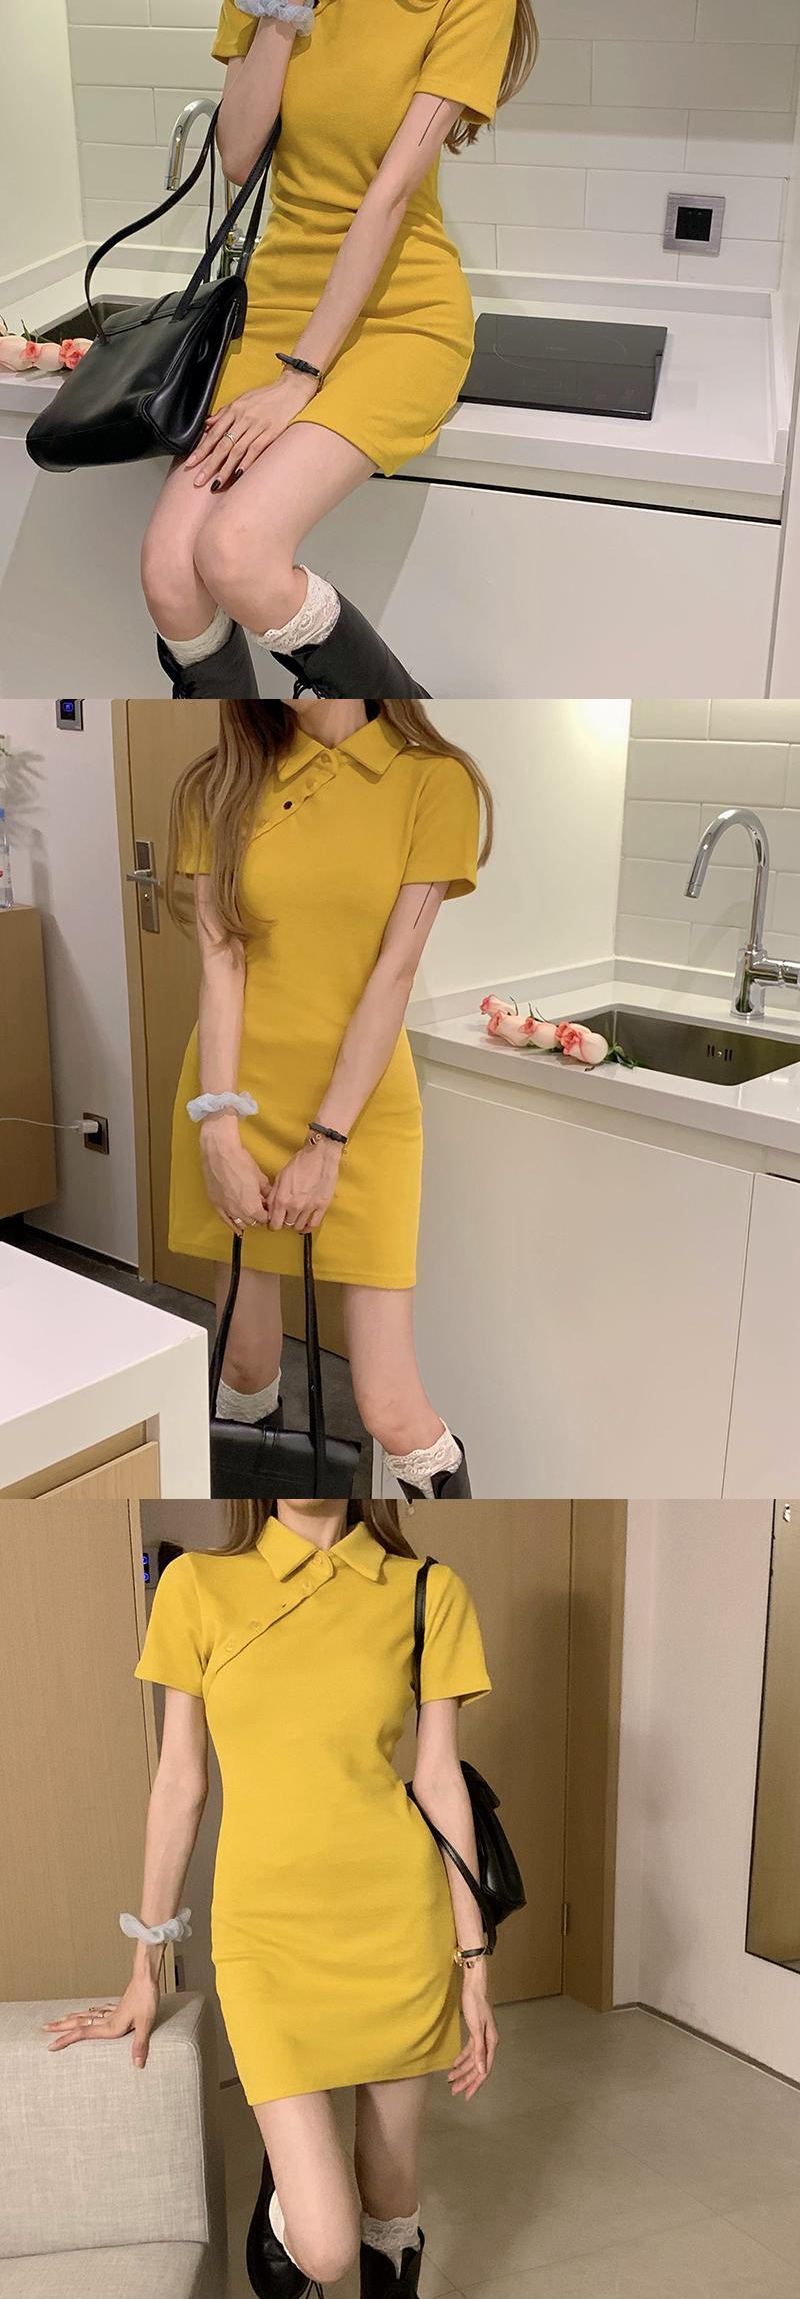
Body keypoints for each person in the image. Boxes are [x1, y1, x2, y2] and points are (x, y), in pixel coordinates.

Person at [47, 1498, 499, 2299]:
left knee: (391, 2208)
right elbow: (180, 1782)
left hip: (397, 1925)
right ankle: (285, 2197)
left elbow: (438, 1782)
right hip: (266, 1936)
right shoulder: (197, 1585)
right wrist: (144, 1967)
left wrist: (473, 1958)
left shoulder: (428, 1590)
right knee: (325, 2248)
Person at [141, 0, 537, 703]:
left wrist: (301, 375)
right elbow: (239, 155)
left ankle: (405, 729)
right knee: (169, 578)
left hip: (398, 312)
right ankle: (247, 748)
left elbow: (389, 199)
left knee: (237, 554)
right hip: (277, 301)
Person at [166, 693, 494, 1502]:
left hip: (361, 1112)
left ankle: (448, 1550)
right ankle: (263, 1543)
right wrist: (218, 1125)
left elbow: (395, 973)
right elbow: (221, 963)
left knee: (388, 1404)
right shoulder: (218, 783)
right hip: (233, 1100)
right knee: (243, 1366)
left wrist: (327, 1140)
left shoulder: (434, 780)